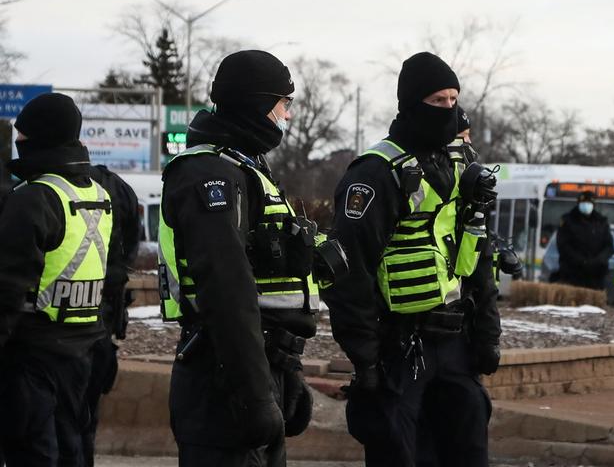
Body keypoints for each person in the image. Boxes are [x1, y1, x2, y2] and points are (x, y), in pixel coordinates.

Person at [324, 52, 500, 467]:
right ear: (411, 102)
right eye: (438, 100)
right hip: (400, 345)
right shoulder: (374, 173)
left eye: (454, 99)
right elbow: (349, 273)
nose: (449, 109)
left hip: (456, 343)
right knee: (399, 453)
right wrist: (365, 356)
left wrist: (487, 333)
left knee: (467, 451)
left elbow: (479, 255)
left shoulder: (463, 166)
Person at [158, 50, 323, 466]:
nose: (287, 115)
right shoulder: (210, 173)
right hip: (223, 379)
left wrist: (287, 375)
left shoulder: (245, 167)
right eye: (284, 103)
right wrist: (254, 393)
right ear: (258, 103)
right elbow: (227, 291)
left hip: (259, 367)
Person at [0, 93, 113, 467]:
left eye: (23, 135)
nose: (18, 142)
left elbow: (7, 288)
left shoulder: (32, 198)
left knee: (32, 454)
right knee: (73, 450)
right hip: (84, 351)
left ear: (41, 137)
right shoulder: (98, 195)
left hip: (32, 356)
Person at [82, 163, 140, 466]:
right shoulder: (121, 190)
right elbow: (132, 245)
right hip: (103, 320)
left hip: (52, 334)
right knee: (86, 420)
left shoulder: (43, 191)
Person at [553, 190, 613, 290]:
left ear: (593, 205)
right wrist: (582, 261)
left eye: (589, 203)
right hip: (572, 273)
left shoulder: (601, 221)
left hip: (596, 275)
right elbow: (564, 246)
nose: (586, 206)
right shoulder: (568, 221)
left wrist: (598, 260)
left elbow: (609, 246)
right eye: (583, 203)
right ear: (578, 204)